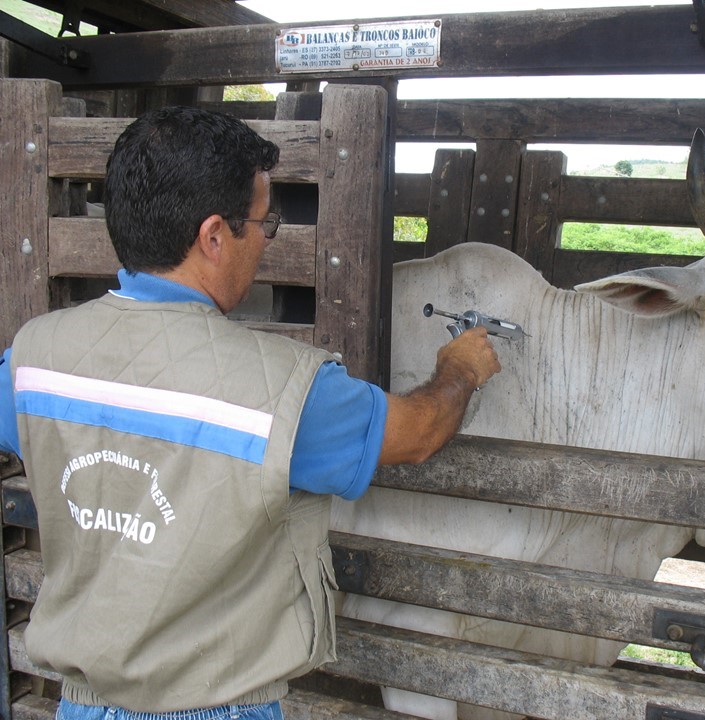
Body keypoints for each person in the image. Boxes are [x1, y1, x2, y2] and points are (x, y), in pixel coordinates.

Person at [0, 106, 500, 720]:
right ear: (214, 236)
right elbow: (420, 433)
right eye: (267, 222)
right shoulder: (287, 390)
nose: (268, 239)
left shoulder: (33, 358)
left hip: (82, 707)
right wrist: (461, 369)